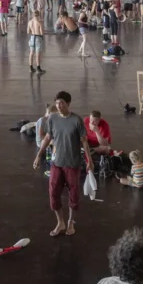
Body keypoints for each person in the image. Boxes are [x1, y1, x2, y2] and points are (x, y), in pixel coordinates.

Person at [33, 91, 94, 237]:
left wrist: (89, 160)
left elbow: (84, 141)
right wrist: (38, 155)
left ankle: (71, 221)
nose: (59, 106)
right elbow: (48, 137)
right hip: (57, 163)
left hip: (72, 164)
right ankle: (60, 222)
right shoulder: (52, 118)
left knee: (73, 194)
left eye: (62, 103)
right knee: (53, 193)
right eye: (57, 103)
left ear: (68, 104)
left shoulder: (76, 120)